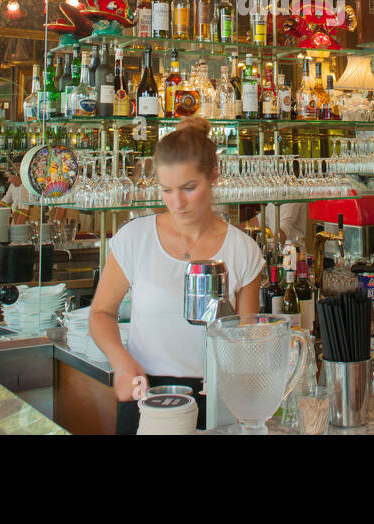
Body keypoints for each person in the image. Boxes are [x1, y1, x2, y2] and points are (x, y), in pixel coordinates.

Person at [89, 116, 262, 434]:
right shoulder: (134, 239)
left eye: (189, 188)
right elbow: (100, 313)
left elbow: (244, 337)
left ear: (213, 175)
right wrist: (121, 362)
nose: (177, 203)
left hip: (216, 399)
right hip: (146, 395)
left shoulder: (244, 251)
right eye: (166, 190)